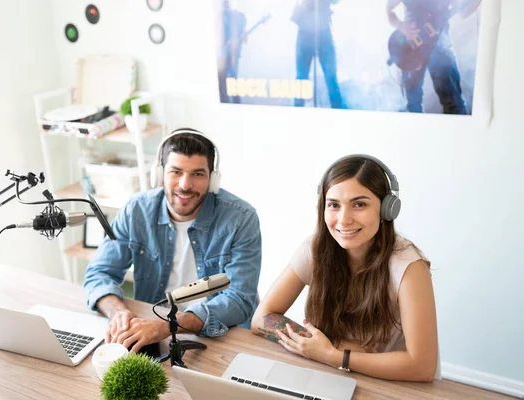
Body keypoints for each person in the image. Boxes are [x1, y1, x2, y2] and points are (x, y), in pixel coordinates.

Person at [251, 155, 439, 382]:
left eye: (359, 204)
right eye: (334, 205)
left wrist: (335, 356)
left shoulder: (409, 267)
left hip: (392, 384)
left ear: (387, 209)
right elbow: (261, 319)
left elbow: (422, 366)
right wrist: (330, 349)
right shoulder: (315, 249)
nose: (343, 219)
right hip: (334, 373)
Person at [84, 128, 262, 353]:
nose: (185, 185)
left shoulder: (241, 218)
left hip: (219, 334)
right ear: (159, 175)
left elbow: (239, 299)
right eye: (176, 172)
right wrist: (117, 312)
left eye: (198, 174)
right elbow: (99, 273)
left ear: (213, 179)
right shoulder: (136, 210)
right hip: (152, 328)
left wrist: (170, 326)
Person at [386, 0, 482, 114]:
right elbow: (389, 9)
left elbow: (462, 12)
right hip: (410, 47)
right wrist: (401, 25)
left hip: (439, 44)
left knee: (454, 103)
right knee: (412, 105)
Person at [292, 0, 344, 109]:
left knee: (330, 78)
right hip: (306, 31)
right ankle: (297, 112)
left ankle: (338, 111)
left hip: (321, 31)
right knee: (302, 77)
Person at [217, 0, 247, 104]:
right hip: (222, 56)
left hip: (232, 56)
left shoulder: (239, 17)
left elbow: (244, 38)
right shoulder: (220, 16)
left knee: (232, 82)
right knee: (224, 84)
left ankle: (235, 105)